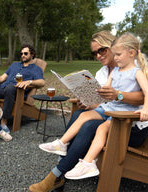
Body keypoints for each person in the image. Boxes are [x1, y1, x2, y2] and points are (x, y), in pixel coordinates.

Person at [28, 31, 148, 192]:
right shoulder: (102, 73)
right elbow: (103, 103)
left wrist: (118, 95)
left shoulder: (137, 65)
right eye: (94, 53)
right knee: (79, 114)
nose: (98, 55)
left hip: (130, 125)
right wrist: (87, 101)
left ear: (113, 47)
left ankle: (58, 173)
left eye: (102, 50)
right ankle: (62, 162)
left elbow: (142, 96)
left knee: (89, 126)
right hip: (110, 114)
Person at [0, 44, 45, 131]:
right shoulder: (14, 65)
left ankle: (4, 122)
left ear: (32, 54)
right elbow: (1, 78)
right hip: (3, 89)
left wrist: (29, 81)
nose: (23, 55)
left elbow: (42, 82)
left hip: (18, 93)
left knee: (10, 88)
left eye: (26, 53)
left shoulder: (36, 69)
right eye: (21, 53)